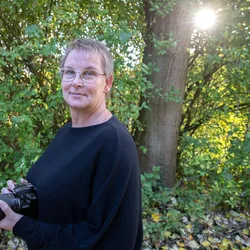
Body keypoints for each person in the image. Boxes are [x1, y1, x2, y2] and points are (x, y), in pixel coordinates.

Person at [0, 38, 143, 250]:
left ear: (108, 83)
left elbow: (102, 236)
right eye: (69, 72)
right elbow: (65, 202)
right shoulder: (67, 132)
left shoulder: (114, 141)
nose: (76, 81)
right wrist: (25, 200)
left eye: (89, 73)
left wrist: (22, 226)